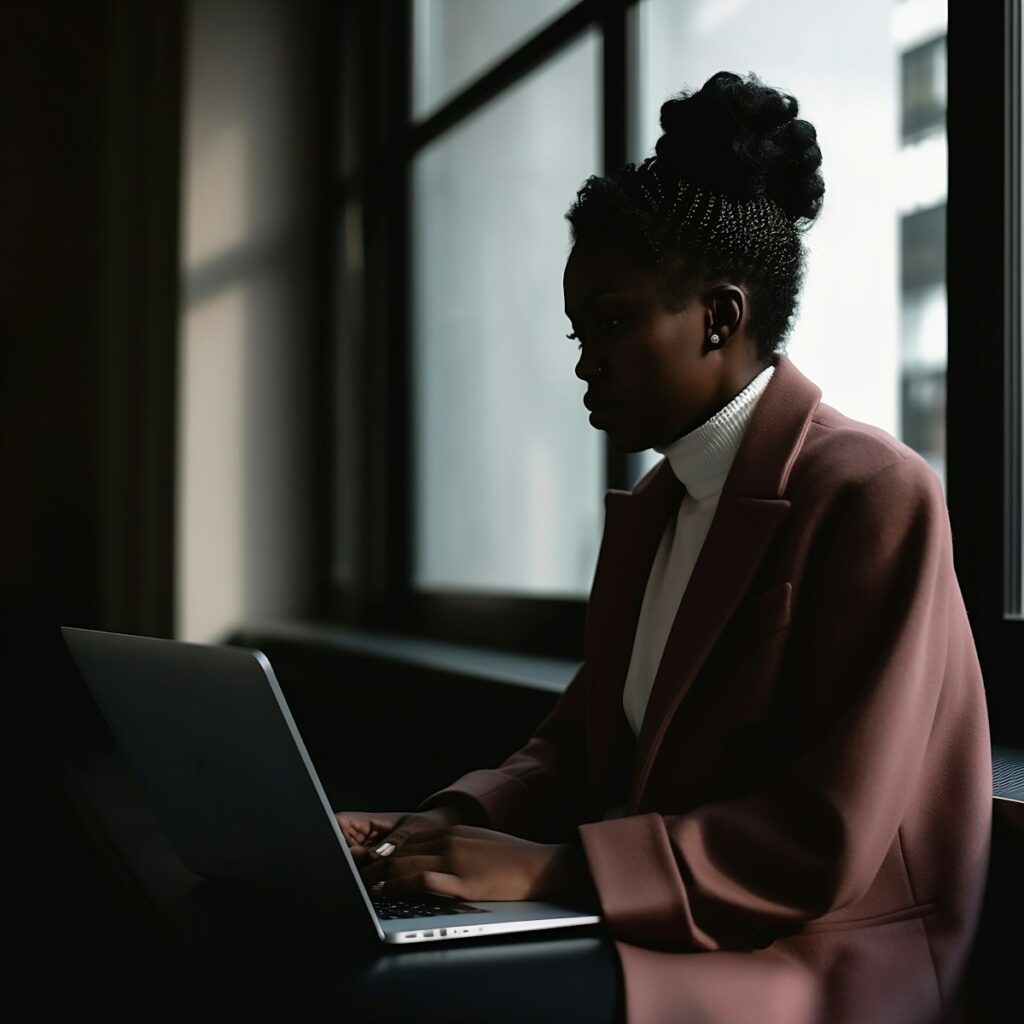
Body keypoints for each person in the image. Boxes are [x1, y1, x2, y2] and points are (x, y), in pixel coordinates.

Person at [336, 71, 991, 1024]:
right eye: (578, 328)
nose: (583, 360)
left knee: (380, 996)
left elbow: (824, 836)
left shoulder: (874, 493)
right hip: (662, 916)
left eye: (611, 321)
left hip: (811, 963)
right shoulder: (662, 501)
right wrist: (451, 825)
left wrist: (554, 869)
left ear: (720, 317)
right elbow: (581, 742)